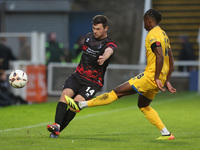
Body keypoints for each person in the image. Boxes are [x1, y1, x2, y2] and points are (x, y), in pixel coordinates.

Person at [65, 9, 176, 140]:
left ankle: (80, 105)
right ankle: (166, 133)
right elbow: (171, 59)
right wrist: (166, 79)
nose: (143, 24)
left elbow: (160, 57)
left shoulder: (152, 34)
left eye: (144, 21)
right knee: (143, 105)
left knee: (117, 92)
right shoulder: (163, 34)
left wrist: (156, 77)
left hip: (151, 76)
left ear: (150, 20)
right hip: (160, 77)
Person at [47, 15, 117, 138]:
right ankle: (56, 126)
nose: (95, 31)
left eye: (99, 29)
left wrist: (105, 56)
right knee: (64, 96)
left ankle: (56, 131)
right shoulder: (88, 37)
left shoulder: (109, 43)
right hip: (77, 76)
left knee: (75, 105)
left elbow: (110, 50)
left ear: (106, 28)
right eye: (94, 28)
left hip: (93, 82)